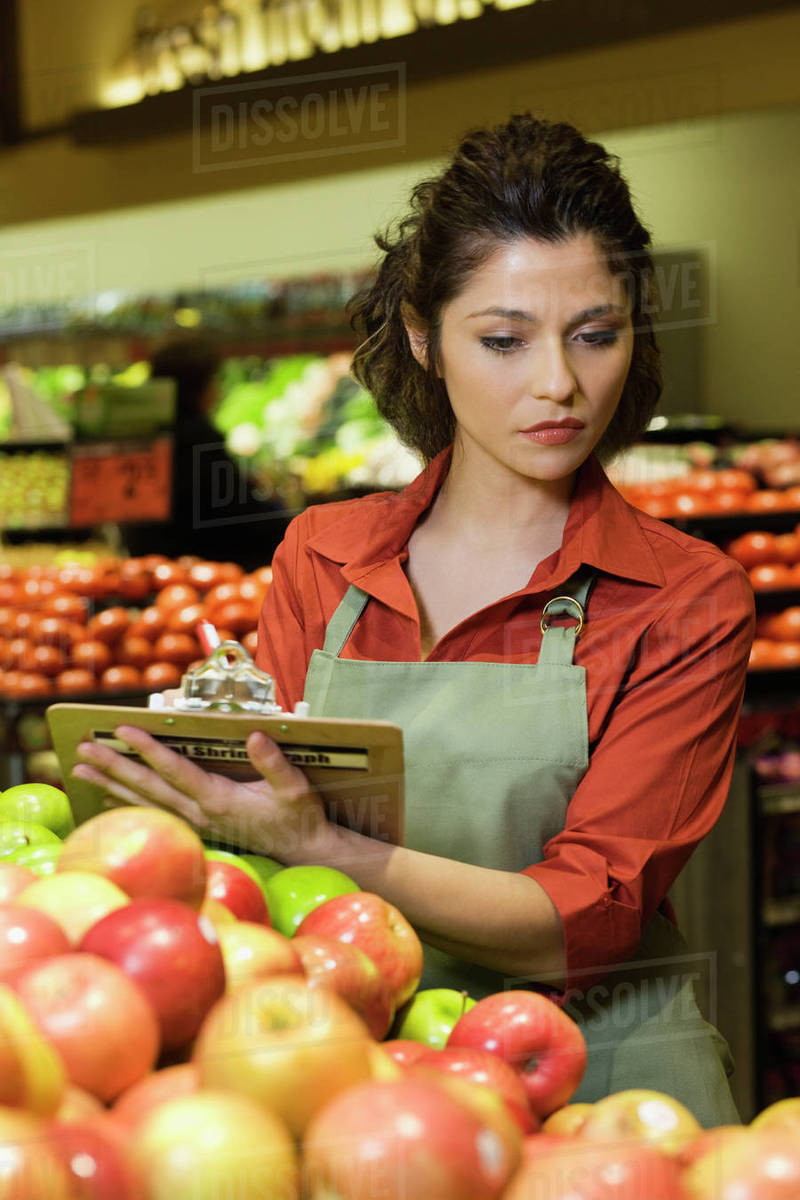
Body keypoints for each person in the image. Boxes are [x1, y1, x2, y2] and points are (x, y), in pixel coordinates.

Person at [72, 114, 755, 1126]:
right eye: (502, 339)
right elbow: (265, 802)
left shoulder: (683, 598)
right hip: (359, 1070)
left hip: (598, 1095)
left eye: (593, 334)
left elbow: (588, 918)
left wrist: (323, 848)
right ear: (423, 338)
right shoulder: (324, 556)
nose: (557, 384)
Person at [121, 337, 290, 570]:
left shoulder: (141, 435)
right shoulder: (197, 439)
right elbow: (240, 514)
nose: (218, 392)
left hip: (150, 567)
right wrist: (291, 528)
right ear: (200, 387)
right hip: (206, 569)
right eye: (214, 381)